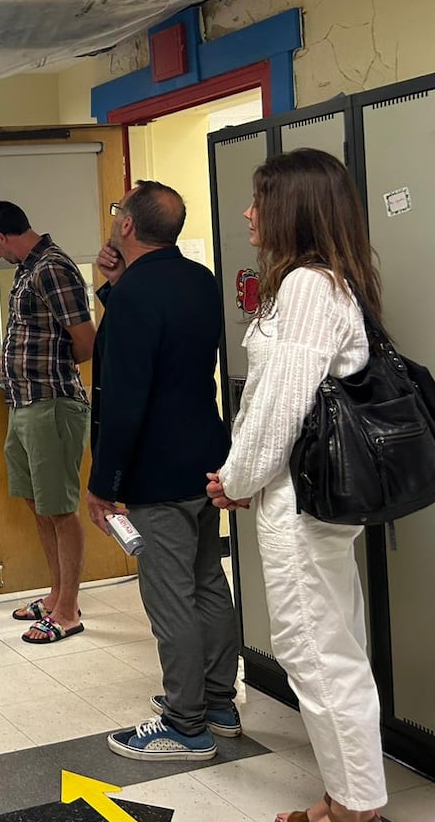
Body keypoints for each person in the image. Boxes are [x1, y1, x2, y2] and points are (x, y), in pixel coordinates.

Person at [207, 149, 385, 822]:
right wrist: (247, 478)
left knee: (315, 651)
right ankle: (347, 796)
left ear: (293, 209)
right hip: (303, 495)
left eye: (260, 201)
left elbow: (280, 404)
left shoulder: (310, 287)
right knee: (329, 644)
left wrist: (236, 479)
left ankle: (354, 808)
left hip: (300, 499)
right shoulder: (329, 281)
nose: (249, 213)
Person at [83, 181, 239, 762]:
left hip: (157, 472)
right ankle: (219, 704)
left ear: (127, 226)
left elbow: (125, 399)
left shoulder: (134, 299)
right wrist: (116, 281)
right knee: (207, 583)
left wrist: (104, 485)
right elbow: (166, 345)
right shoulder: (200, 280)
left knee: (170, 595)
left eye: (117, 211)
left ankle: (184, 723)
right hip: (207, 458)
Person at [0, 200, 96, 644]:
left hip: (52, 403)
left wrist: (48, 371)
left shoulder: (51, 267)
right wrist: (4, 366)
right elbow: (34, 333)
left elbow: (85, 341)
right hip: (23, 403)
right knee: (37, 502)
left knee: (61, 510)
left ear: (2, 237)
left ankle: (68, 611)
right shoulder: (27, 271)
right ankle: (54, 594)